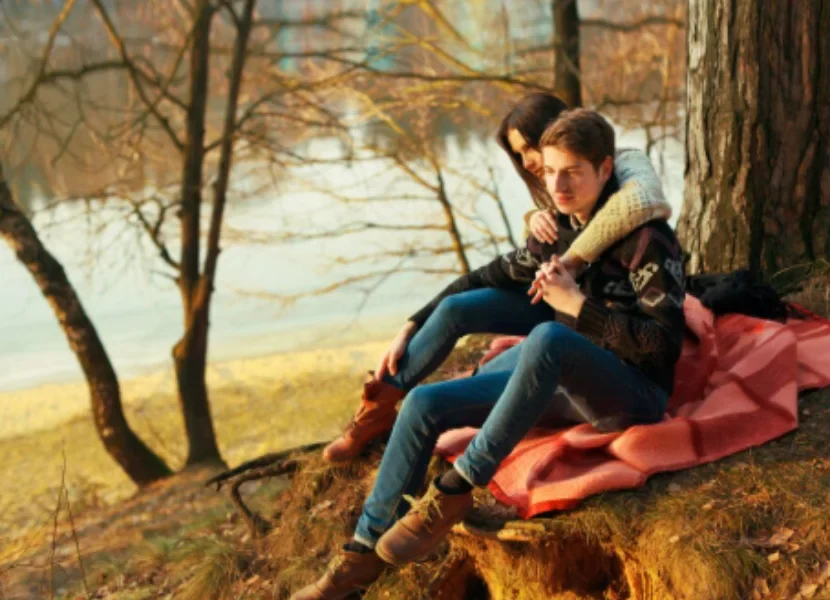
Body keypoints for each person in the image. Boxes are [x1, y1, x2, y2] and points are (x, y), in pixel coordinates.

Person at [290, 109, 686, 600]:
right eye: (550, 171)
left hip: (631, 393)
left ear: (605, 169)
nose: (558, 186)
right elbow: (486, 279)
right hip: (559, 381)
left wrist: (579, 309)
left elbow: (663, 346)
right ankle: (357, 561)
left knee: (548, 337)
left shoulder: (647, 239)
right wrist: (416, 319)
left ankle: (457, 488)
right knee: (423, 404)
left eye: (573, 173)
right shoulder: (557, 229)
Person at [321, 92, 672, 465]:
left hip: (584, 316)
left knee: (494, 360)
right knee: (457, 307)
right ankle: (377, 409)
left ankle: (457, 455)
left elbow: (641, 201)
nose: (527, 163)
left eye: (529, 149)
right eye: (519, 154)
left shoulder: (625, 166)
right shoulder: (558, 201)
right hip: (552, 299)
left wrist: (569, 257)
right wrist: (412, 322)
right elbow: (490, 273)